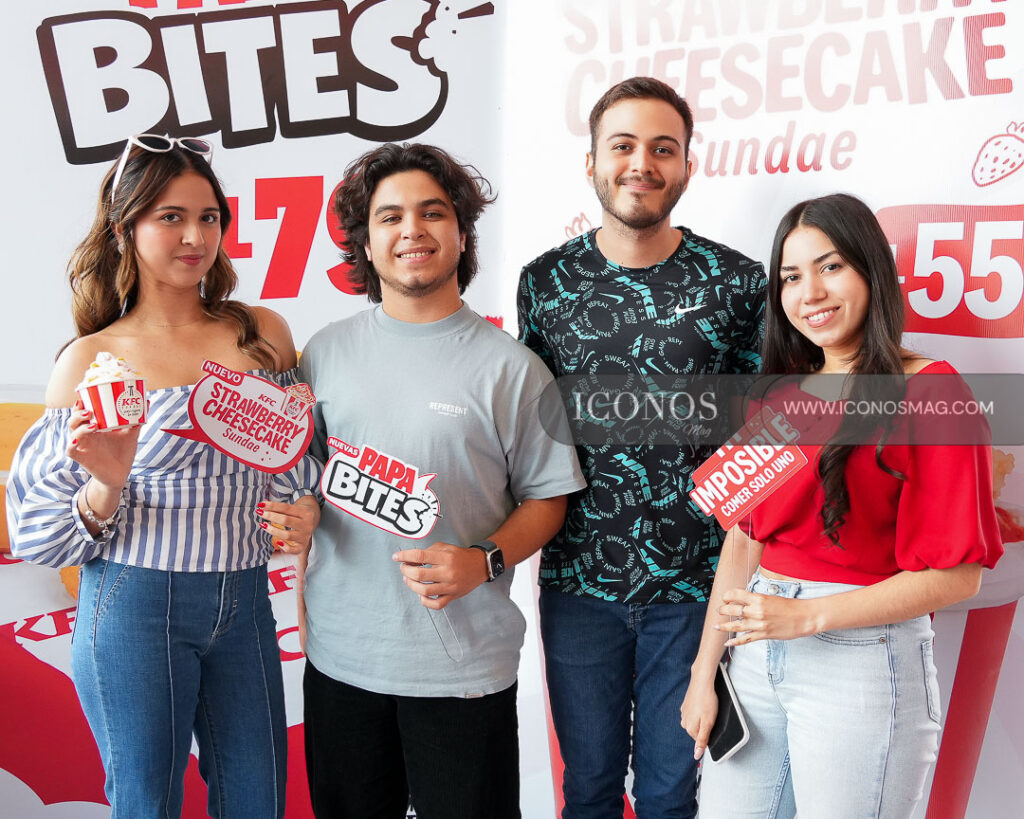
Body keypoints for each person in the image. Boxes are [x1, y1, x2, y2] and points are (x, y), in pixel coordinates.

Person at [6, 135, 322, 819]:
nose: (195, 236)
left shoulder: (262, 333)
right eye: (170, 217)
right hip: (133, 604)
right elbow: (38, 533)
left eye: (209, 217)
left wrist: (306, 505)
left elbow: (298, 464)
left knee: (259, 798)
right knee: (146, 804)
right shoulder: (91, 358)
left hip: (246, 596)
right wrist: (106, 484)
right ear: (125, 228)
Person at [680, 193, 1003, 817]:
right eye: (791, 277)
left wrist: (806, 617)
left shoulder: (932, 391)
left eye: (830, 267)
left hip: (861, 662)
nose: (811, 293)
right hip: (753, 656)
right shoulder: (779, 395)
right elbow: (744, 543)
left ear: (871, 270)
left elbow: (958, 575)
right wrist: (703, 672)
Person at [298, 142, 585, 819]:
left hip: (461, 670)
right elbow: (305, 479)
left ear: (461, 233)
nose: (412, 230)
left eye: (432, 212)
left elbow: (548, 498)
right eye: (390, 216)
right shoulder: (324, 352)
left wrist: (481, 560)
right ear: (365, 242)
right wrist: (299, 515)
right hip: (341, 662)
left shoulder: (512, 369)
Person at [517, 77, 765, 817]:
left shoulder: (737, 283)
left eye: (663, 148)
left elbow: (764, 435)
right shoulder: (546, 282)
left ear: (687, 165)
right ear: (592, 161)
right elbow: (529, 431)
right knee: (587, 789)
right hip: (577, 584)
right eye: (622, 145)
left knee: (669, 794)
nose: (642, 164)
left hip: (696, 590)